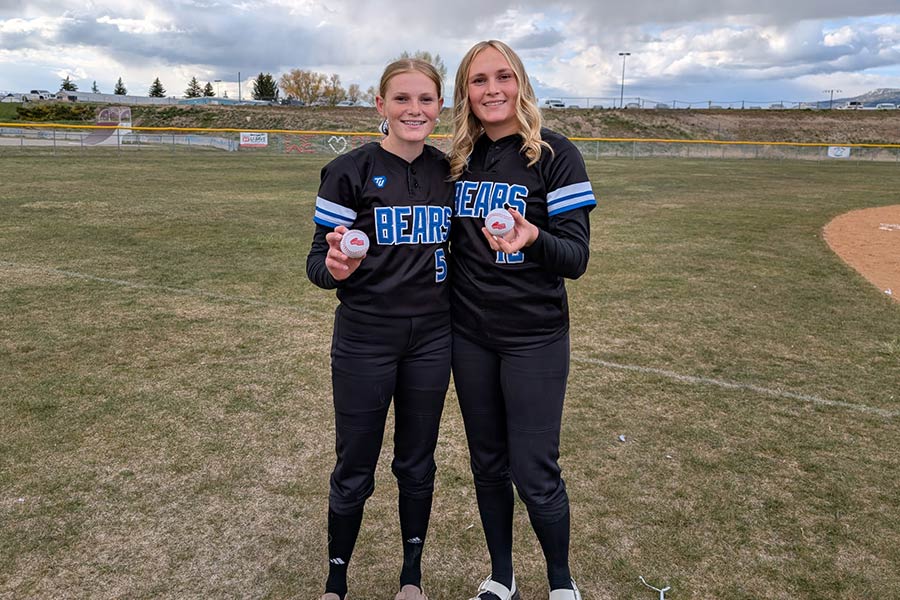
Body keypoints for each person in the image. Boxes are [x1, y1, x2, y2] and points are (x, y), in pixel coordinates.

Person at [447, 40, 597, 600]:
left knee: (534, 470)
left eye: (503, 77)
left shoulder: (554, 154)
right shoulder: (457, 162)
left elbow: (576, 259)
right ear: (466, 90)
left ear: (521, 83)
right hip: (470, 337)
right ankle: (501, 576)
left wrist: (533, 237)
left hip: (534, 336)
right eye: (479, 79)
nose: (492, 90)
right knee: (487, 463)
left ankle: (560, 581)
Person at [306, 58, 453, 600]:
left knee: (417, 462)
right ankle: (336, 582)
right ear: (381, 106)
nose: (414, 110)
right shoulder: (349, 170)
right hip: (365, 336)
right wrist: (337, 267)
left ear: (440, 107)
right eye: (402, 99)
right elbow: (318, 262)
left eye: (426, 100)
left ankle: (410, 578)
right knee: (355, 463)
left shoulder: (448, 170)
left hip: (433, 338)